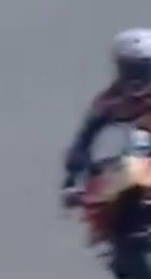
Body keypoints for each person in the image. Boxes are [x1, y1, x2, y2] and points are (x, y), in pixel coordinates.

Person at [62, 28, 151, 202]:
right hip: (118, 191)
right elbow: (83, 142)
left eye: (143, 70)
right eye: (130, 70)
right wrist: (74, 180)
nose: (137, 79)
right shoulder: (108, 102)